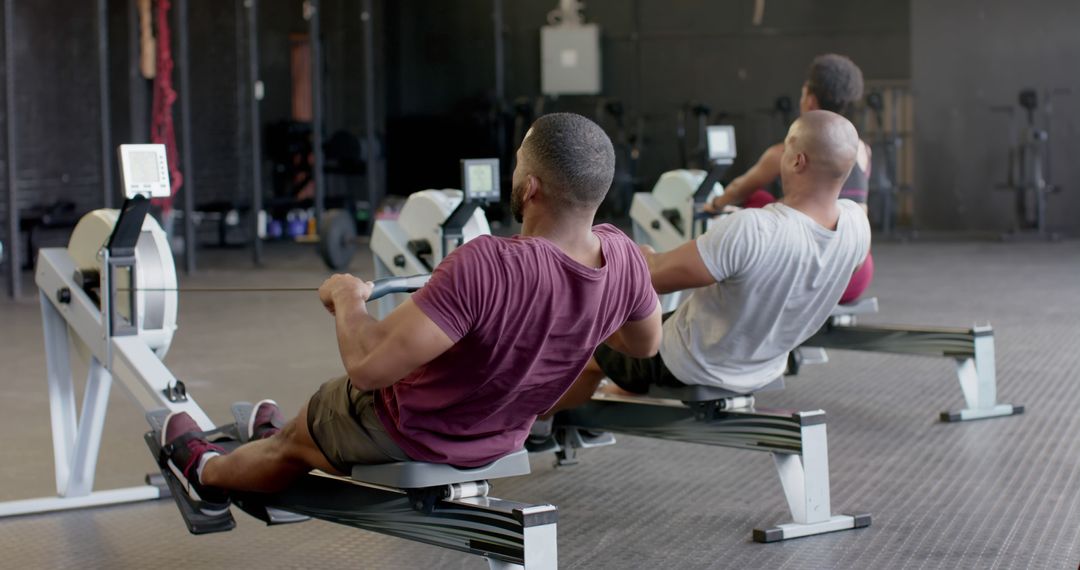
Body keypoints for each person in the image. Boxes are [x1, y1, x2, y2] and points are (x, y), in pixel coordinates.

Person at [160, 112, 663, 516]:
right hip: (502, 436)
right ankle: (281, 437)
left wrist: (346, 297)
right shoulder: (623, 259)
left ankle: (205, 474)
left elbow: (368, 365)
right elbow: (643, 346)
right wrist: (577, 315)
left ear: (530, 187)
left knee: (304, 431)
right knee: (310, 427)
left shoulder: (487, 263)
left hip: (413, 433)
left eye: (515, 166)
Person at [549, 110, 870, 410]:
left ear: (798, 161)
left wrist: (615, 251)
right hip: (763, 365)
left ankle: (541, 426)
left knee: (583, 342)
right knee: (651, 324)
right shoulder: (857, 225)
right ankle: (610, 400)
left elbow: (649, 276)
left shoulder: (756, 228)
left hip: (690, 362)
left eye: (785, 148)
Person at [706, 53, 873, 303]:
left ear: (810, 101)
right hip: (857, 273)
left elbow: (739, 188)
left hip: (813, 273)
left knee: (756, 197)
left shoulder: (789, 152)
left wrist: (716, 205)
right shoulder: (862, 149)